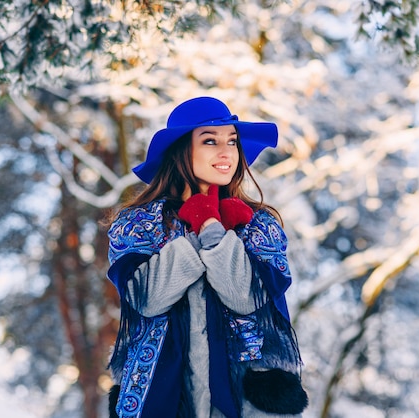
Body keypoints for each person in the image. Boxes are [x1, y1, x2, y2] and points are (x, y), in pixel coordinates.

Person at [106, 97, 308, 418]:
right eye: (210, 141)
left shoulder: (258, 224)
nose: (226, 151)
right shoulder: (137, 223)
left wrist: (211, 228)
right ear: (181, 149)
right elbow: (145, 297)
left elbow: (247, 297)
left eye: (232, 141)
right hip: (162, 398)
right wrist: (190, 238)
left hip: (243, 402)